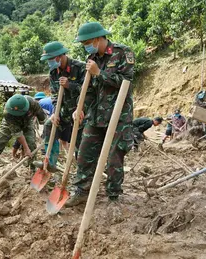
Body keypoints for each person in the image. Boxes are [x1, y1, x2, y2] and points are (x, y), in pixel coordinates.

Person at [69, 22, 135, 206]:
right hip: (96, 115)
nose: (85, 46)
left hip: (119, 115)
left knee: (114, 157)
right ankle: (81, 191)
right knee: (84, 153)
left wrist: (100, 73)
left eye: (87, 42)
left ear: (99, 38)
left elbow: (126, 83)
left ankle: (113, 196)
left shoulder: (123, 53)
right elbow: (89, 90)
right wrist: (80, 108)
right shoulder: (92, 58)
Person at [34, 41, 86, 173]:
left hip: (82, 111)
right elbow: (55, 95)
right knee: (49, 125)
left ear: (59, 56)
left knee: (80, 143)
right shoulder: (53, 73)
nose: (49, 62)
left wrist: (71, 85)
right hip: (64, 111)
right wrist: (55, 112)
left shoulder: (80, 68)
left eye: (50, 59)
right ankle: (50, 162)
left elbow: (91, 90)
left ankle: (83, 174)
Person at [0, 94, 47, 181]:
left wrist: (48, 132)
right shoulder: (8, 112)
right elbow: (18, 134)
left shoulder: (33, 104)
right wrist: (25, 148)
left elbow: (44, 120)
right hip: (9, 124)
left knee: (31, 144)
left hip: (27, 123)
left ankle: (33, 171)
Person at [11, 91, 52, 159]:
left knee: (29, 141)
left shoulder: (36, 105)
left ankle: (25, 156)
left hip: (29, 124)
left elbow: (40, 118)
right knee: (19, 141)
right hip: (19, 125)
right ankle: (15, 155)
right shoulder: (23, 106)